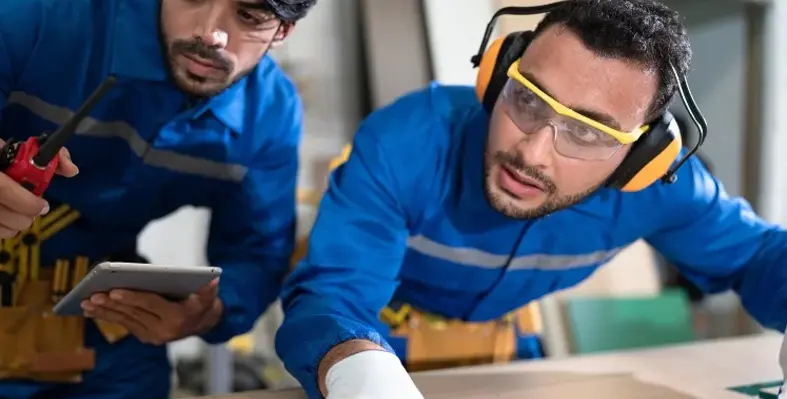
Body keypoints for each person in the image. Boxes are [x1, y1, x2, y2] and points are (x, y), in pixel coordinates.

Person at [275, 1, 787, 398]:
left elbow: (760, 256)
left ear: (643, 157)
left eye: (588, 133)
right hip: (378, 330)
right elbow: (333, 295)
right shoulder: (406, 142)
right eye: (527, 98)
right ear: (496, 74)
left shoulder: (662, 189)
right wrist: (360, 372)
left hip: (508, 337)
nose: (532, 152)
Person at [0, 0, 315, 398]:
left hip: (98, 314)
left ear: (282, 31)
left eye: (248, 16)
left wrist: (209, 311)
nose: (211, 35)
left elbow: (256, 253)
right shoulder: (38, 14)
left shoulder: (268, 117)